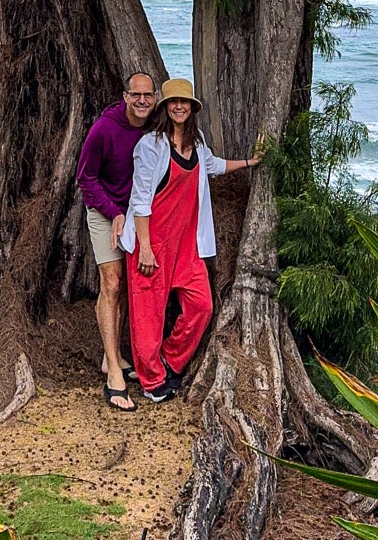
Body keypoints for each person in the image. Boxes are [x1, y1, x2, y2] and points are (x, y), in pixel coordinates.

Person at [121, 77, 261, 402]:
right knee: (148, 318)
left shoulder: (196, 143)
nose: (180, 106)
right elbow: (140, 201)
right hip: (151, 244)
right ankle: (152, 383)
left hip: (186, 245)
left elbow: (212, 166)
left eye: (185, 102)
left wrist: (250, 162)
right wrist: (143, 247)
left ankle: (171, 361)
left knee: (202, 306)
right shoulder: (150, 146)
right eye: (173, 102)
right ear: (165, 108)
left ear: (192, 107)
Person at [76, 70, 158, 412]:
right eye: (135, 95)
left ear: (155, 100)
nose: (141, 101)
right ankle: (113, 372)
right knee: (110, 282)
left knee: (127, 284)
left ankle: (116, 357)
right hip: (105, 211)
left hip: (138, 214)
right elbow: (85, 178)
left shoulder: (156, 127)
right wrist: (114, 213)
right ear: (125, 97)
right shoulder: (105, 129)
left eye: (148, 96)